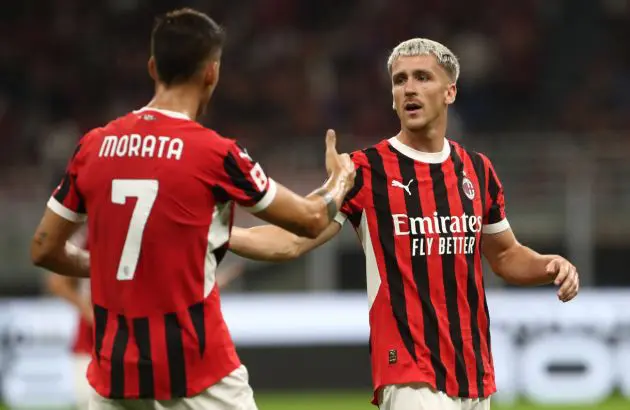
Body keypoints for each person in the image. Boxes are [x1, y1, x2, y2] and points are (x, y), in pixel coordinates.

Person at [30, 7, 355, 410]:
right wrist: (341, 178)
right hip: (196, 366)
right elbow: (309, 220)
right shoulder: (215, 153)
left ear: (152, 67)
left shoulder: (94, 146)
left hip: (115, 369)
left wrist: (106, 264)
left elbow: (43, 248)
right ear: (211, 73)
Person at [228, 38, 580, 410]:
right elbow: (294, 239)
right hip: (410, 374)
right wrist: (220, 235)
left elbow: (506, 254)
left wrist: (549, 265)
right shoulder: (364, 171)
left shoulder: (478, 171)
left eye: (422, 77)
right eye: (400, 80)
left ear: (450, 92)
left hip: (474, 373)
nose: (409, 88)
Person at [46, 227, 248, 409]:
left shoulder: (152, 237)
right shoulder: (96, 235)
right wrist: (91, 314)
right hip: (94, 347)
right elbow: (57, 282)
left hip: (139, 350)